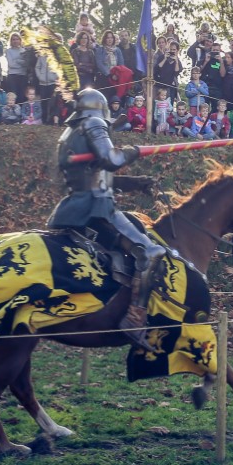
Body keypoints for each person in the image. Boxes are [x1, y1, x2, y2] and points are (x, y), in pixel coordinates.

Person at [46, 89, 165, 349]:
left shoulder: (71, 132)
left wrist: (136, 183)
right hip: (96, 208)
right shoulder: (94, 123)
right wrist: (133, 151)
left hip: (75, 205)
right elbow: (111, 159)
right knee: (152, 252)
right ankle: (134, 319)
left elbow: (95, 174)